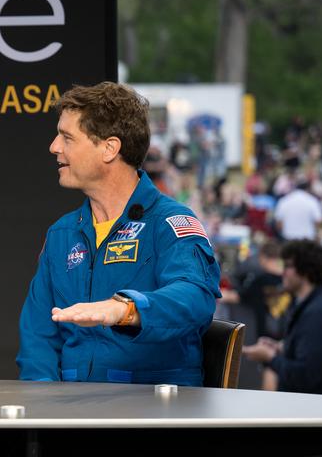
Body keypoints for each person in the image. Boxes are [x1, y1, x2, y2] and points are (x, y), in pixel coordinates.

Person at [17, 82, 220, 385]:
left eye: (67, 137)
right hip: (70, 418)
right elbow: (37, 338)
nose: (54, 146)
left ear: (110, 148)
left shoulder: (170, 222)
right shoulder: (62, 234)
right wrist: (44, 410)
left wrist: (125, 310)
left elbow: (195, 299)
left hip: (151, 416)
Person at [242, 240, 322, 396]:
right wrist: (281, 347)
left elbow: (305, 375)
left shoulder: (317, 313)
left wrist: (270, 357)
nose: (283, 272)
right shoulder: (313, 303)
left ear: (306, 271)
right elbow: (309, 351)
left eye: (288, 266)